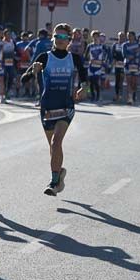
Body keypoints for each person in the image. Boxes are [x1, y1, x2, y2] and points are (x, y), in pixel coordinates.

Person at [21, 23, 87, 196]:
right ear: (53, 38)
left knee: (56, 142)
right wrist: (32, 72)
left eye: (64, 37)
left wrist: (83, 87)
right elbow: (23, 79)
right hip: (47, 107)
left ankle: (54, 182)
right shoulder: (44, 57)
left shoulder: (75, 58)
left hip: (66, 106)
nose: (60, 40)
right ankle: (59, 172)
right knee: (53, 148)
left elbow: (84, 76)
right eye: (57, 36)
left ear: (69, 40)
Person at [86, 31, 108, 103]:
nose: (95, 38)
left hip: (99, 67)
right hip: (91, 66)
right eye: (94, 36)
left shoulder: (103, 46)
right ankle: (93, 96)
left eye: (97, 36)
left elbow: (107, 55)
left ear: (99, 37)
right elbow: (85, 55)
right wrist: (88, 60)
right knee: (91, 82)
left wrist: (104, 62)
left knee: (96, 81)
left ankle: (98, 95)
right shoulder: (90, 46)